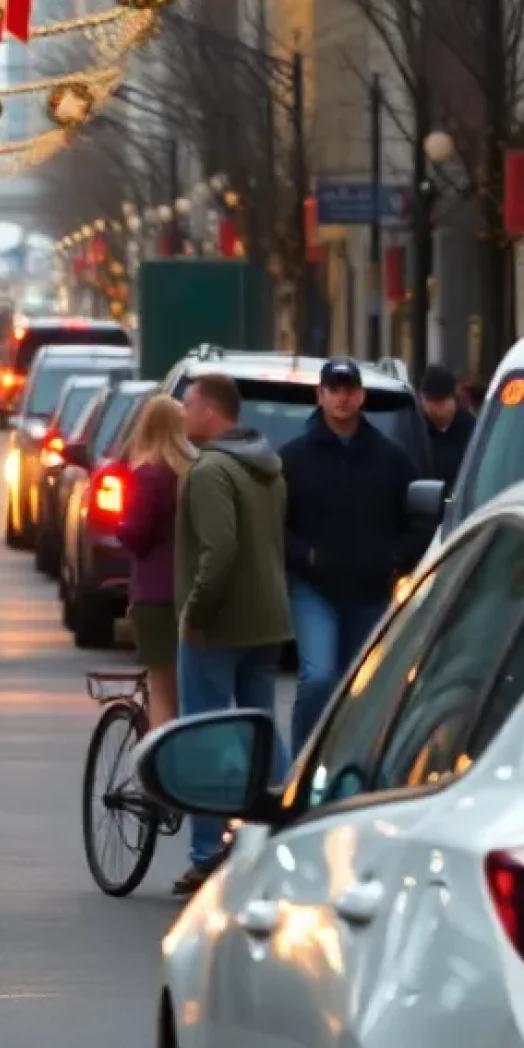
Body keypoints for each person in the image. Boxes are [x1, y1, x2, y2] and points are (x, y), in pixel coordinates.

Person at [173, 372, 293, 897]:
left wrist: (195, 610)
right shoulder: (266, 465)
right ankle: (292, 828)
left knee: (204, 733)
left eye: (189, 403)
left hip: (219, 624)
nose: (181, 411)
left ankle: (206, 853)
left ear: (211, 412)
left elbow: (217, 552)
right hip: (267, 618)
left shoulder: (210, 471)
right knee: (260, 731)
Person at [282, 357, 425, 753]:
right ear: (320, 395)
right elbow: (274, 525)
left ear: (361, 396)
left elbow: (421, 516)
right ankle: (301, 765)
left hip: (371, 592)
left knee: (364, 686)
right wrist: (303, 556)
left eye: (349, 390)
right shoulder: (293, 459)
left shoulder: (390, 458)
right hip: (315, 590)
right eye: (334, 390)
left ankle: (351, 766)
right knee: (320, 678)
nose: (342, 398)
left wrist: (395, 557)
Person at [116, 395, 193, 733]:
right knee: (187, 690)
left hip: (155, 594)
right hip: (191, 592)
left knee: (161, 688)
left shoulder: (149, 474)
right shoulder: (194, 472)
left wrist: (120, 525)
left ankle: (161, 770)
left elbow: (135, 534)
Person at [418, 364, 475, 494]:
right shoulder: (417, 430)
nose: (436, 410)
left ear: (453, 398)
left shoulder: (469, 429)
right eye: (431, 403)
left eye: (441, 402)